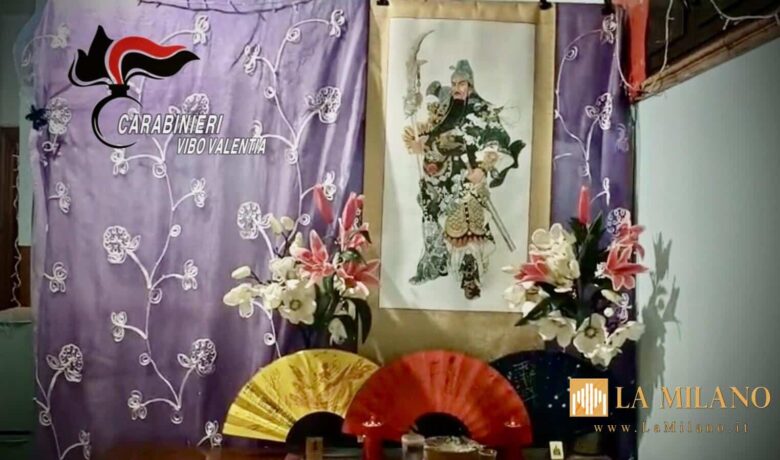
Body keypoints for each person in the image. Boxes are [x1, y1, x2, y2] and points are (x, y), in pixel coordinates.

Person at [404, 59, 525, 299]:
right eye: (454, 83)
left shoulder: (482, 111)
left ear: (471, 85)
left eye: (461, 83)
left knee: (470, 224)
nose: (457, 88)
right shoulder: (448, 109)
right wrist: (422, 144)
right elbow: (434, 137)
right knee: (443, 223)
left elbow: (496, 140)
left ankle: (471, 274)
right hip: (444, 180)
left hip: (469, 179)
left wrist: (483, 168)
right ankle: (439, 264)